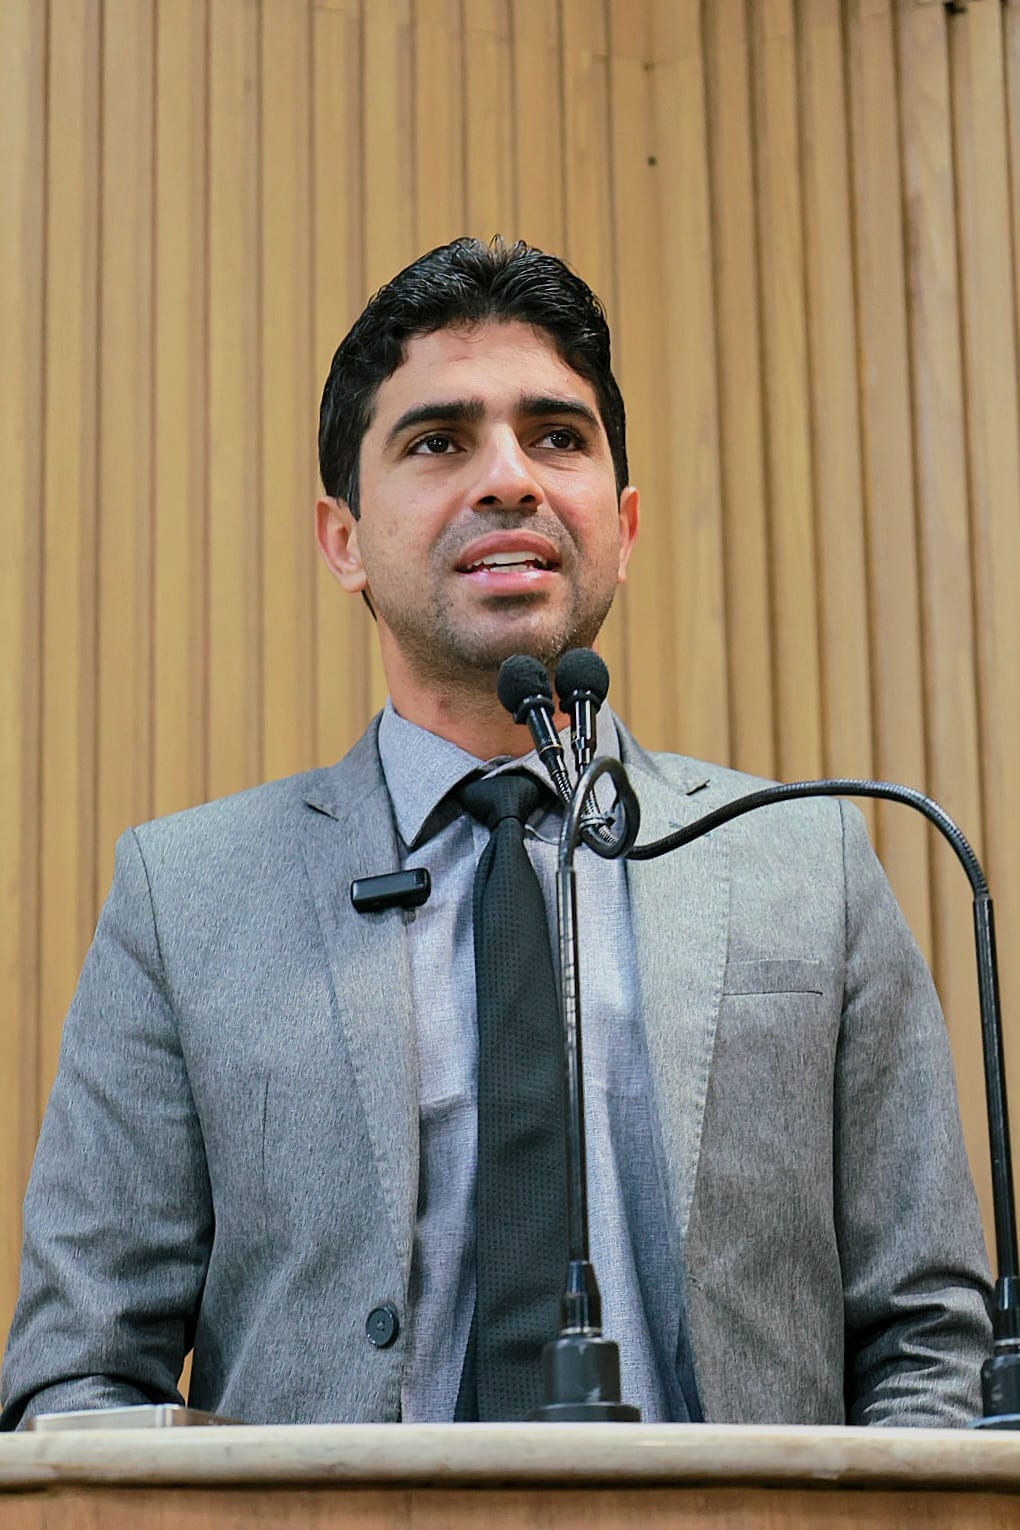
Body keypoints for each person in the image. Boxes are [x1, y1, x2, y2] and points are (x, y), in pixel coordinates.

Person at [1, 237, 991, 1430]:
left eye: (558, 437)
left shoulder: (808, 865)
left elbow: (930, 1343)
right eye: (438, 442)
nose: (511, 479)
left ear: (623, 523)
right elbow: (77, 1375)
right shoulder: (185, 897)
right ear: (343, 540)